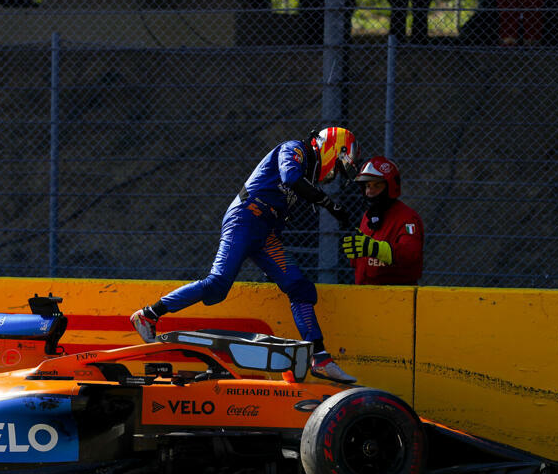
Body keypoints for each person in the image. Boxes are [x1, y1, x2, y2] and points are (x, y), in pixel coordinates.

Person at [130, 127, 360, 384]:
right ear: (333, 148)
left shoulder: (305, 173)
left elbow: (283, 206)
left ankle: (320, 358)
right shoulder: (295, 149)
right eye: (339, 167)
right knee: (218, 284)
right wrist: (329, 204)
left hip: (266, 232)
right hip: (246, 216)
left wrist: (271, 263)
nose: (334, 174)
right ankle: (148, 314)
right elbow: (290, 177)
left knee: (300, 287)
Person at [340, 156, 424, 285]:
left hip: (397, 296)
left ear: (390, 187)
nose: (370, 191)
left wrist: (376, 249)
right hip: (365, 293)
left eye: (377, 185)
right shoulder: (368, 216)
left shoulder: (407, 218)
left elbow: (410, 254)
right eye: (367, 186)